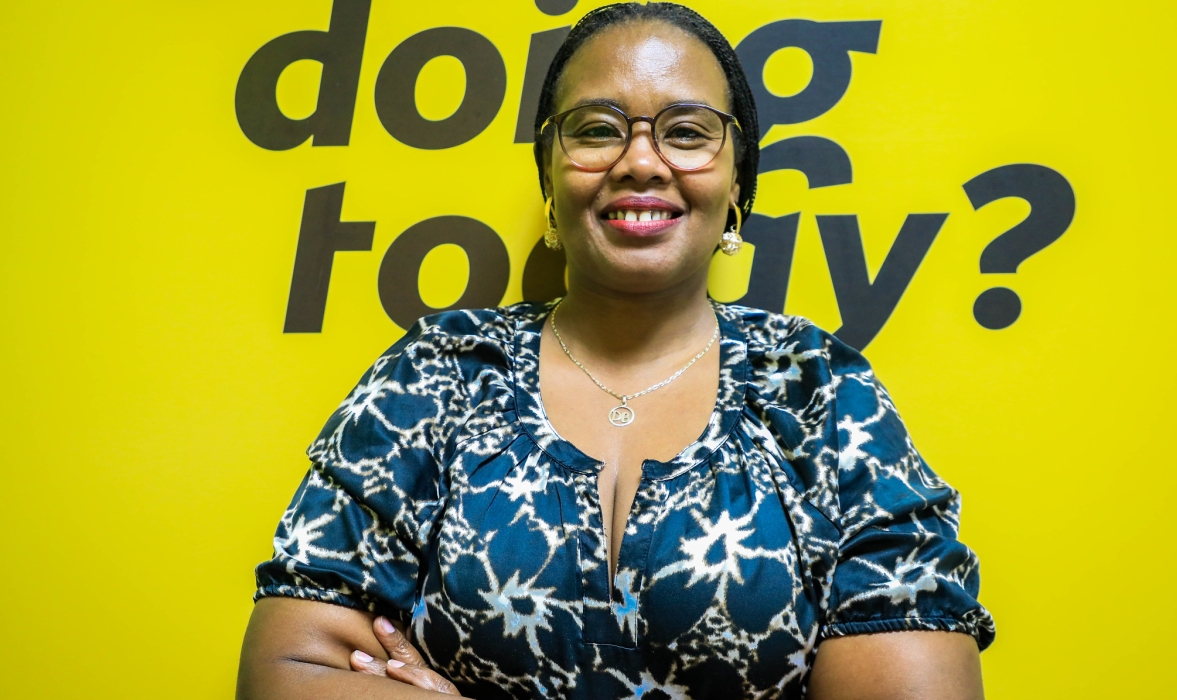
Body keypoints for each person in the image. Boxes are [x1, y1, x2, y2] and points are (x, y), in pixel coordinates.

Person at [236, 3, 994, 698]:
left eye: (687, 132)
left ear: (737, 183)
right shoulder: (443, 372)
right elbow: (288, 673)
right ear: (549, 176)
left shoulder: (816, 389)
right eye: (597, 129)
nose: (640, 161)